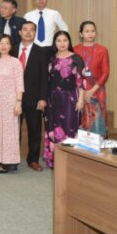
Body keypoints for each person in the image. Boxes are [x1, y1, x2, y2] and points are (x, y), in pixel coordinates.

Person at [44, 31, 85, 168]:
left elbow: (81, 82)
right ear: (55, 43)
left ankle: (71, 162)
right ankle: (54, 161)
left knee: (70, 127)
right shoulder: (51, 59)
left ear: (69, 42)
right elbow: (48, 80)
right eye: (59, 40)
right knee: (53, 128)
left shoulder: (76, 59)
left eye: (65, 40)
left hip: (70, 99)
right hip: (53, 99)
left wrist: (80, 101)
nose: (62, 43)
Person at [15, 21, 49, 171]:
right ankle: (12, 158)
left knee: (35, 130)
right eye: (25, 29)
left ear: (35, 33)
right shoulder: (11, 49)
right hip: (14, 97)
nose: (28, 32)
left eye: (32, 30)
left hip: (34, 98)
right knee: (13, 130)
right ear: (20, 32)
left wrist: (42, 98)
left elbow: (44, 77)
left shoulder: (41, 52)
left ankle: (33, 160)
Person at [0, 34, 24, 174]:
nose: (3, 46)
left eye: (7, 43)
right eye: (1, 43)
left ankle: (9, 161)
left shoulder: (15, 62)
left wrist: (18, 103)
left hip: (11, 101)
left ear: (11, 46)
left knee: (10, 132)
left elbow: (19, 85)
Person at [74, 21, 110, 136]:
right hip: (79, 92)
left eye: (93, 31)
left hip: (97, 91)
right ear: (81, 34)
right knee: (81, 124)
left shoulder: (102, 50)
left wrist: (91, 91)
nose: (90, 34)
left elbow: (105, 73)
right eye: (87, 31)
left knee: (98, 125)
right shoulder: (74, 50)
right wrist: (83, 92)